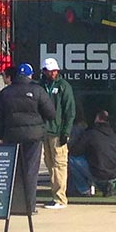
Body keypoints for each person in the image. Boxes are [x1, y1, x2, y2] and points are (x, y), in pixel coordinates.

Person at [0, 61, 58, 215]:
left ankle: (12, 206)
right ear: (30, 75)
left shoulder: (5, 92)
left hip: (11, 136)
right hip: (33, 136)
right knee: (30, 171)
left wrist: (0, 135)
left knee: (14, 171)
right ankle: (29, 206)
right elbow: (51, 113)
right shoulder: (38, 90)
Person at [39, 57, 78, 209]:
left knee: (59, 164)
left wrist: (66, 132)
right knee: (49, 163)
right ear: (44, 71)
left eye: (55, 70)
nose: (53, 73)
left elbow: (70, 111)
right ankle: (55, 195)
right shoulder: (40, 86)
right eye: (50, 71)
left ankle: (60, 198)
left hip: (58, 131)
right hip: (45, 131)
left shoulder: (63, 86)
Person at [71, 110, 116, 196]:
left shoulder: (91, 134)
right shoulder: (115, 136)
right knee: (100, 170)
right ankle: (106, 186)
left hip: (98, 172)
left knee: (71, 159)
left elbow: (75, 151)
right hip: (115, 174)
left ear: (98, 119)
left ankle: (84, 190)